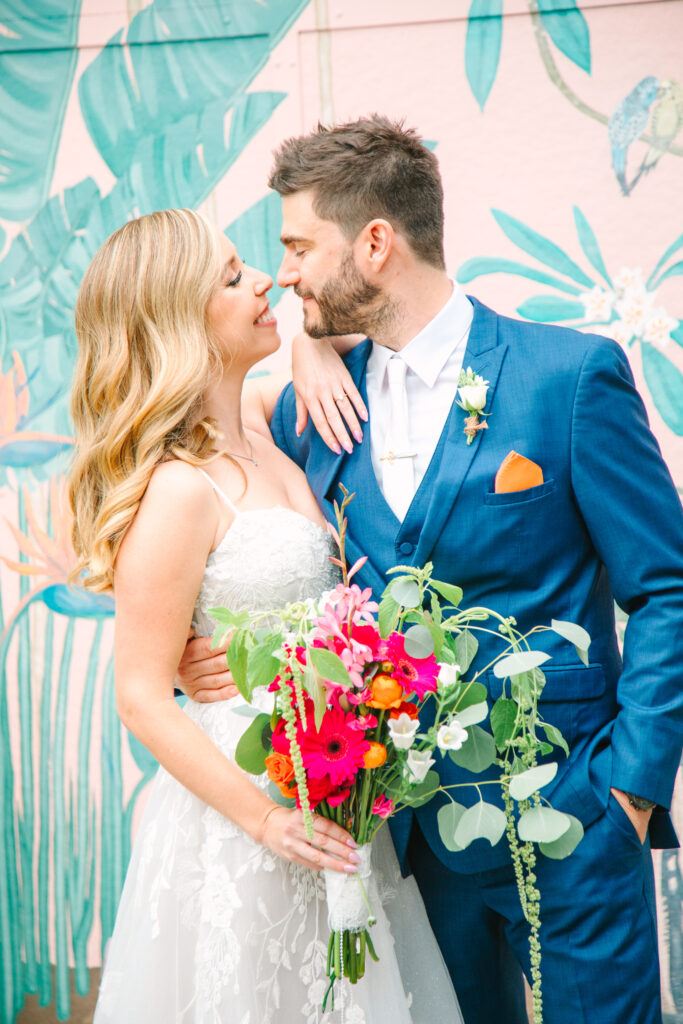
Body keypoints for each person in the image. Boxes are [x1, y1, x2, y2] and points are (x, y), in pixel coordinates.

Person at [179, 117, 683, 1024]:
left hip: (572, 820)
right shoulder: (309, 412)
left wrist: (631, 791)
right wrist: (193, 650)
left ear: (374, 243)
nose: (283, 272)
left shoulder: (566, 378)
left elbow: (666, 588)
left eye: (298, 246)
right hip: (401, 846)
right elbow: (203, 495)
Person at [68, 208, 463, 1023]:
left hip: (334, 785)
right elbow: (140, 696)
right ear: (180, 318)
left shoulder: (259, 421)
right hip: (246, 811)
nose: (262, 281)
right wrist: (267, 820)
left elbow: (369, 331)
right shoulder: (181, 488)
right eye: (230, 275)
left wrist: (309, 345)